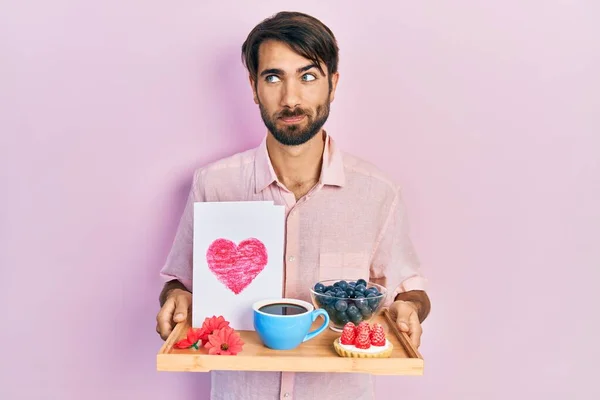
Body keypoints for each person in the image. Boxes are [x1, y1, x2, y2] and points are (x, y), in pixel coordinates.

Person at [156, 11, 431, 400]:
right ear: (253, 87)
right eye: (273, 77)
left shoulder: (378, 192)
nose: (291, 98)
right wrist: (176, 298)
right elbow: (179, 282)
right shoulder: (214, 184)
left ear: (333, 85)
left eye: (308, 76)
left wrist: (410, 308)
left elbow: (408, 289)